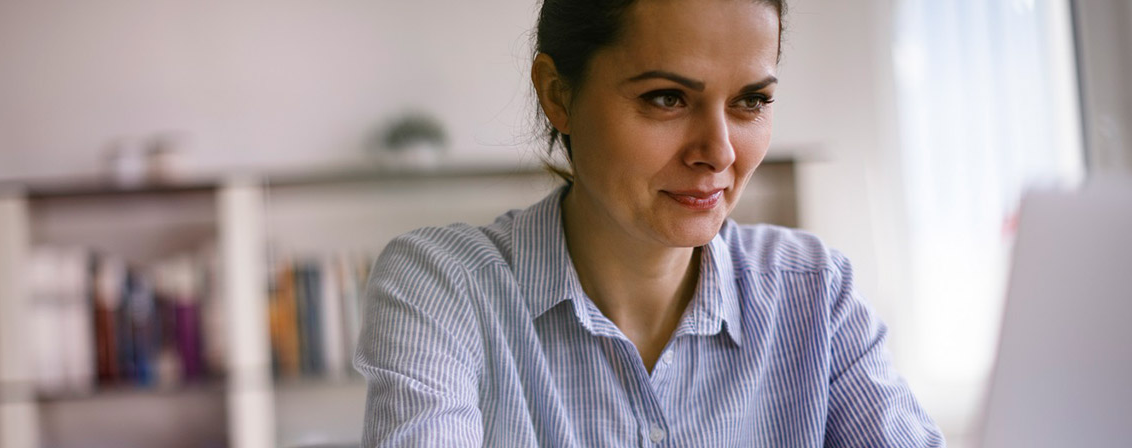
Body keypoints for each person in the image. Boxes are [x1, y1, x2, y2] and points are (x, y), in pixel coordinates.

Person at [354, 0, 946, 446]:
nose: (718, 152)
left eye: (751, 101)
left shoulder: (813, 289)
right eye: (667, 98)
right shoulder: (444, 286)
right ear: (558, 94)